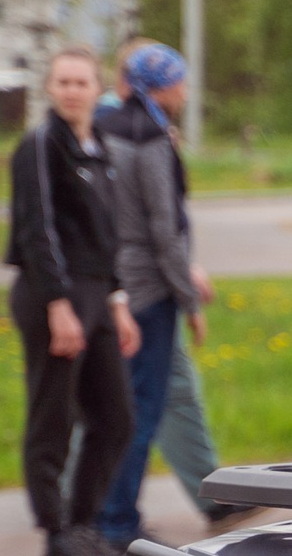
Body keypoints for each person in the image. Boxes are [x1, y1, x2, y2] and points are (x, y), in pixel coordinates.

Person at [5, 47, 142, 556]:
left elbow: (104, 237)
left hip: (96, 296)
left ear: (97, 89)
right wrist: (58, 305)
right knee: (53, 417)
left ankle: (83, 523)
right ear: (49, 88)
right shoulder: (41, 145)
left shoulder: (98, 146)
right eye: (62, 81)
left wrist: (118, 300)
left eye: (81, 82)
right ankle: (55, 536)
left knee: (115, 418)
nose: (71, 91)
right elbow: (37, 231)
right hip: (52, 296)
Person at [97, 39, 234, 526]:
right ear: (163, 86)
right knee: (142, 406)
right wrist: (188, 298)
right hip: (149, 289)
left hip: (115, 281)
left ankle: (102, 509)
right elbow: (164, 227)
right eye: (181, 80)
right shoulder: (148, 137)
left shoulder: (104, 129)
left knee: (122, 401)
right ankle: (116, 518)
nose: (186, 89)